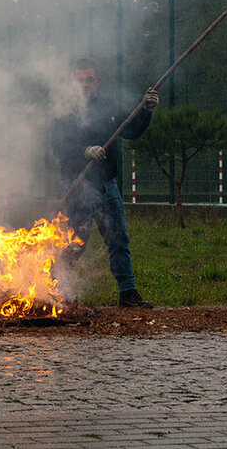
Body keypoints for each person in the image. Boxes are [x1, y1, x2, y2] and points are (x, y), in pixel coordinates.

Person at [50, 57, 159, 308]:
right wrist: (85, 151)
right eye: (80, 80)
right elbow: (58, 146)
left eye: (90, 79)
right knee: (76, 241)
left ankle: (128, 293)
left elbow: (131, 130)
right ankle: (56, 291)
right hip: (78, 184)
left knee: (118, 238)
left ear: (98, 81)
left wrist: (146, 110)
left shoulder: (109, 107)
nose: (85, 85)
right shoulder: (64, 110)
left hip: (107, 184)